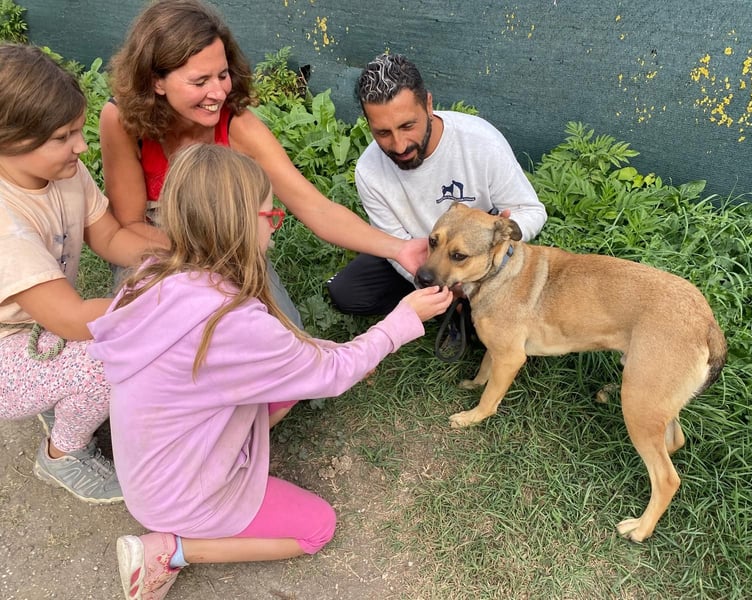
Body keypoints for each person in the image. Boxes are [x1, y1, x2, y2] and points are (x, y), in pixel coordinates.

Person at [87, 144, 452, 600]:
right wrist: (401, 321)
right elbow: (333, 374)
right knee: (316, 528)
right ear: (241, 223)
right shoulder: (231, 321)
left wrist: (332, 351)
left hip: (149, 467)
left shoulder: (151, 275)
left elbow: (299, 360)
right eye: (269, 215)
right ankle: (172, 550)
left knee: (292, 382)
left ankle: (216, 476)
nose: (274, 226)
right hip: (179, 495)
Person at [99, 0, 429, 325]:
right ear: (157, 81)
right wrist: (197, 261)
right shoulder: (121, 121)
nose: (218, 93)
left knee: (284, 336)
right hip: (157, 245)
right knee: (162, 335)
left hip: (227, 245)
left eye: (223, 75)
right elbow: (130, 224)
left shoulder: (237, 126)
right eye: (200, 82)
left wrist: (399, 249)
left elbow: (316, 209)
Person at [0, 44, 160, 503]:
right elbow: (72, 319)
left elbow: (110, 237)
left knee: (148, 292)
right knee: (109, 355)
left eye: (77, 129)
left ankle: (56, 389)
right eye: (63, 136)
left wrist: (185, 254)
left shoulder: (63, 172)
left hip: (36, 324)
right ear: (9, 139)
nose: (81, 145)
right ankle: (62, 455)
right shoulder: (6, 226)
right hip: (10, 346)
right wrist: (164, 308)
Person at [326, 53, 548, 316]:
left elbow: (531, 210)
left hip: (475, 261)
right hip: (416, 254)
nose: (399, 145)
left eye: (408, 125)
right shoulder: (369, 170)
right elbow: (396, 243)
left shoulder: (481, 142)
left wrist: (499, 233)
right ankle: (443, 304)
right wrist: (436, 285)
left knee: (497, 324)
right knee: (347, 293)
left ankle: (460, 306)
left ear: (428, 105)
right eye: (383, 133)